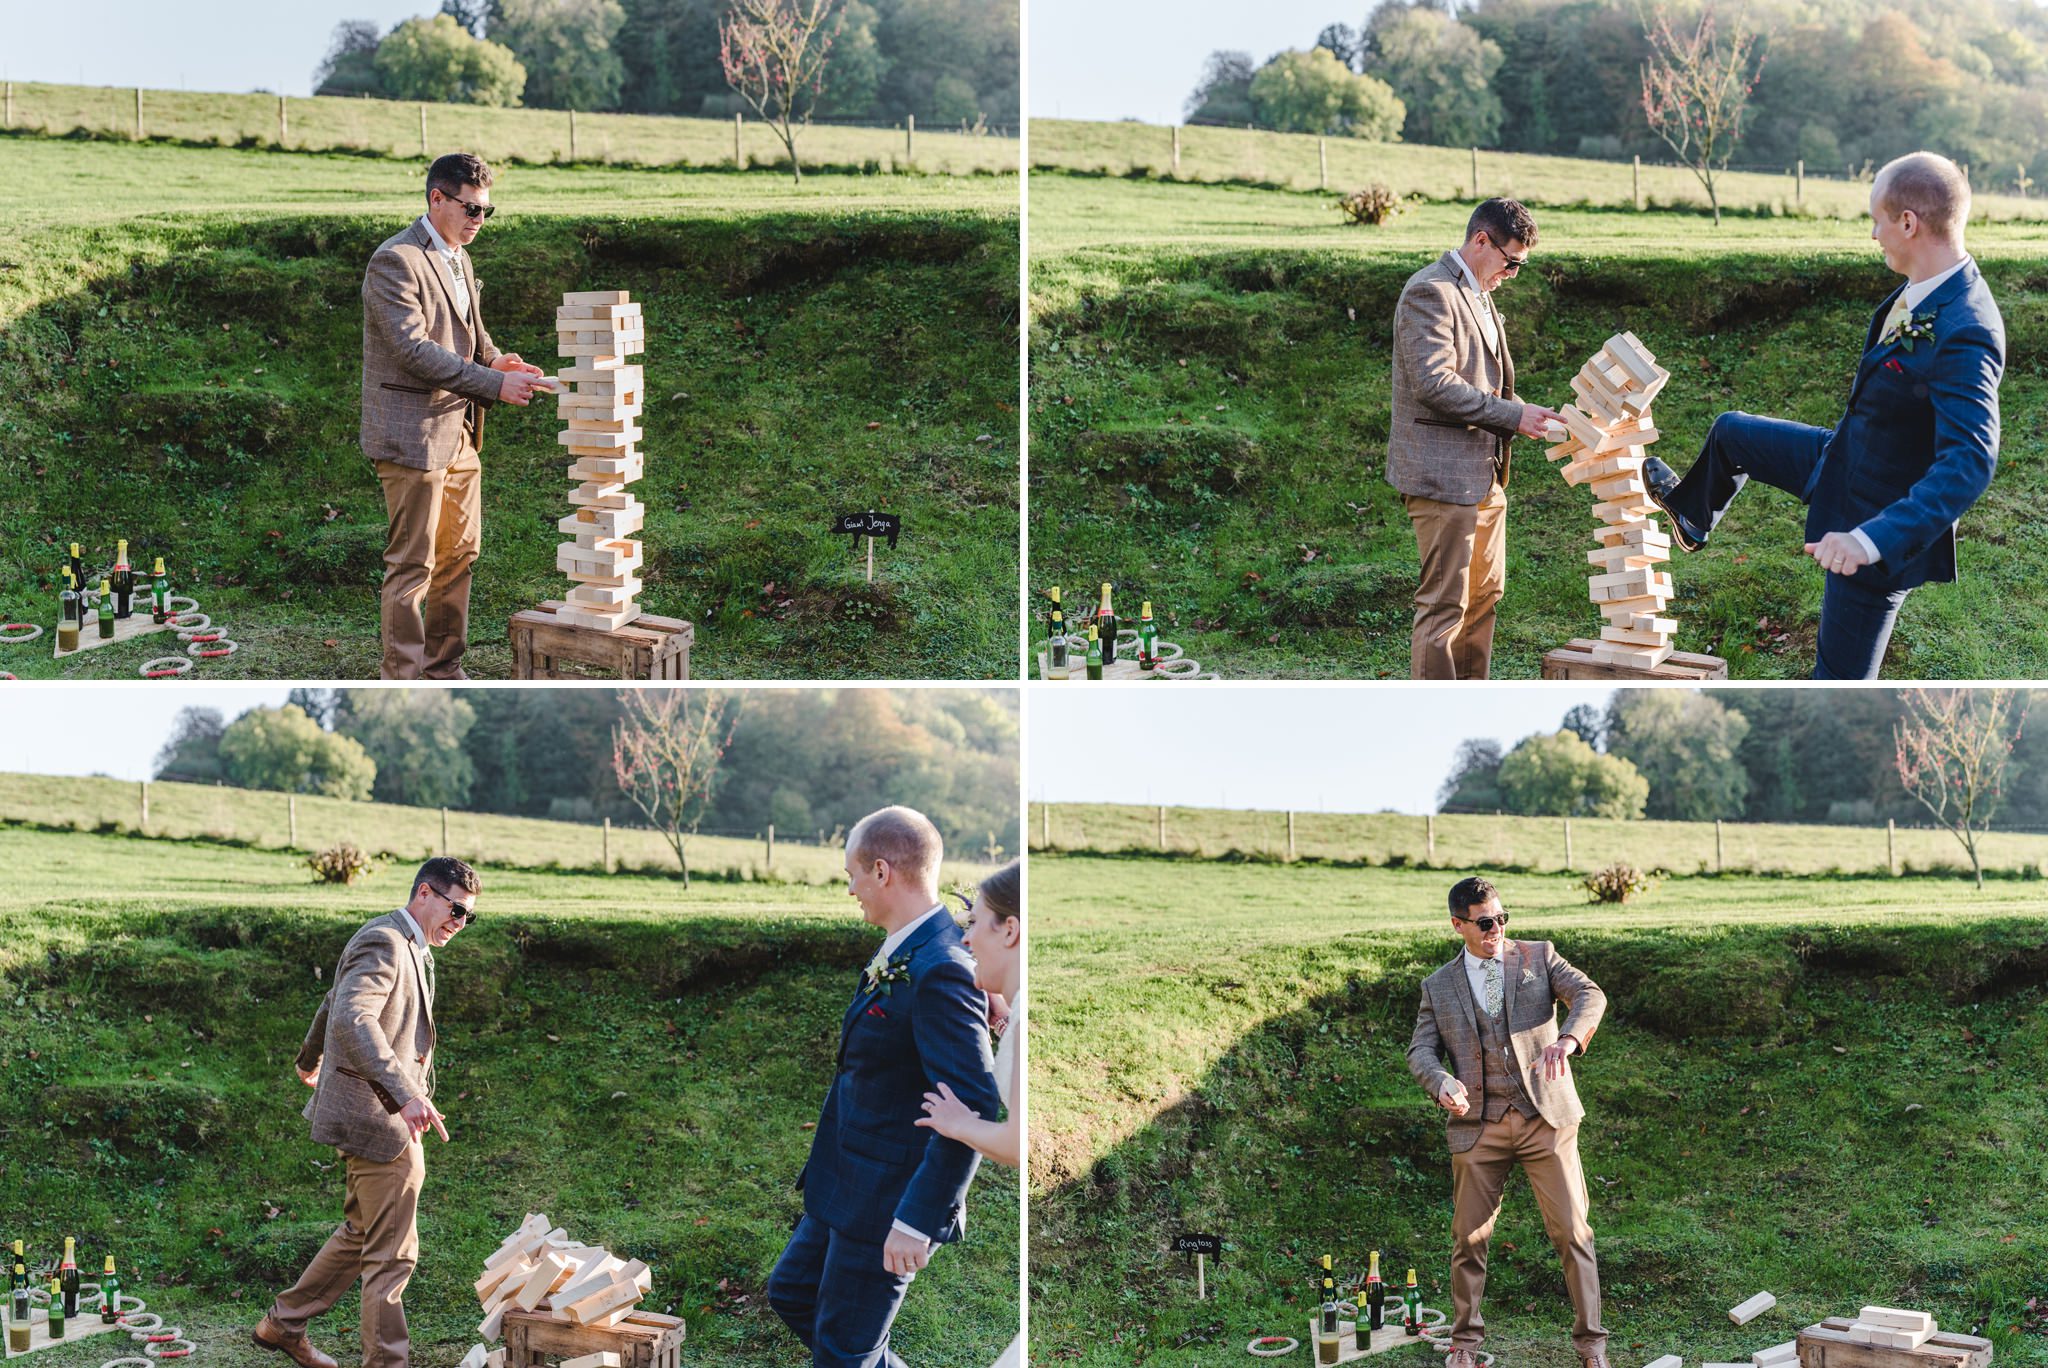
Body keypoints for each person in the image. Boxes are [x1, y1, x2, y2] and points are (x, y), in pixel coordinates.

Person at [1643, 150, 2004, 679]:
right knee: (1731, 433)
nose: (1873, 235)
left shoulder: (1966, 327)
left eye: (1876, 221)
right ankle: (1694, 517)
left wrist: (1867, 540)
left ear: (1908, 223)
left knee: (1837, 683)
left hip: (1873, 528)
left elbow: (1971, 462)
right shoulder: (1926, 289)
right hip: (1841, 456)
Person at [769, 808, 1004, 1368]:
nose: (850, 889)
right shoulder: (906, 948)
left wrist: (916, 1220)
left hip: (886, 1203)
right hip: (842, 1183)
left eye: (851, 874)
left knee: (843, 1353)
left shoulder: (942, 967)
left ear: (881, 871)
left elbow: (969, 1106)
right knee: (793, 1295)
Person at [252, 858, 477, 1368]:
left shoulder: (405, 944)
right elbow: (354, 1016)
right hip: (383, 1121)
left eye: (469, 917)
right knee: (392, 1255)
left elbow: (336, 1001)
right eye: (457, 910)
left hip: (375, 1114)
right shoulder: (387, 940)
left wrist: (309, 1058)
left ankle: (284, 1324)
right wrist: (405, 1094)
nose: (460, 924)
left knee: (361, 1234)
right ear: (425, 893)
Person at [1406, 876, 1609, 1368]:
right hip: (1478, 1125)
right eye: (1483, 922)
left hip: (1546, 1118)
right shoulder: (1438, 985)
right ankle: (1465, 1347)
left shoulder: (1538, 957)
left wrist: (1567, 1040)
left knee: (1574, 1234)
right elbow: (1420, 1050)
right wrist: (1440, 1083)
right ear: (1459, 925)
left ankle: (1593, 1348)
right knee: (1468, 1240)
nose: (1495, 927)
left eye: (1501, 917)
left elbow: (1589, 994)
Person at [362, 151, 546, 680]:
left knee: (460, 556)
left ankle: (444, 668)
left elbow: (468, 333)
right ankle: (403, 676)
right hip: (412, 437)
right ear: (435, 198)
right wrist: (494, 383)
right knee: (412, 566)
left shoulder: (460, 257)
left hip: (461, 433)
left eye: (486, 211)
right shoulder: (394, 260)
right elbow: (413, 350)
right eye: (470, 209)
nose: (478, 221)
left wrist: (495, 360)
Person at [1387, 198, 1563, 680]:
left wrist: (1529, 414)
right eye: (1511, 262)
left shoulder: (1481, 293)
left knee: (1484, 598)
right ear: (1481, 240)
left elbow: (1485, 384)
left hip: (1485, 479)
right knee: (1445, 608)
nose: (1512, 274)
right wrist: (1512, 416)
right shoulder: (1430, 291)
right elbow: (1434, 385)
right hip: (1442, 480)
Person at [914, 858, 1022, 1368]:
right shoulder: (1018, 1011)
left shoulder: (1025, 1023)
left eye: (976, 923)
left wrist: (960, 1124)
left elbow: (1018, 1144)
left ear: (1011, 930)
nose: (966, 939)